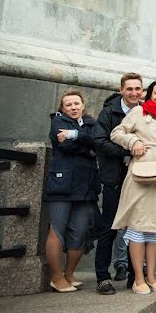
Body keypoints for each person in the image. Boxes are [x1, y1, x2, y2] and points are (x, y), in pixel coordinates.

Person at [110, 80, 156, 294]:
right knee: (138, 226)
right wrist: (133, 143)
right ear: (149, 94)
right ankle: (138, 278)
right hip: (142, 173)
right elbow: (116, 133)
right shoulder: (140, 111)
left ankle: (151, 275)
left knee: (155, 228)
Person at [44, 90, 99, 293]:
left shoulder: (92, 123)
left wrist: (76, 136)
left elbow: (98, 143)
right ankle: (56, 278)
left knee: (80, 231)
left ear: (83, 105)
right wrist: (88, 149)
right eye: (68, 105)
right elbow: (66, 146)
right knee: (57, 230)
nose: (73, 107)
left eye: (77, 103)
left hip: (86, 186)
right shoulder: (58, 122)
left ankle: (69, 274)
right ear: (62, 108)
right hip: (62, 185)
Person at [93, 73, 142, 295]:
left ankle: (135, 275)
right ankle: (102, 277)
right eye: (129, 89)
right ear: (122, 90)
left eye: (137, 89)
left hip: (139, 177)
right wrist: (126, 150)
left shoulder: (145, 111)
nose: (134, 93)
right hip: (114, 177)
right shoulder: (108, 112)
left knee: (136, 227)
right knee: (109, 228)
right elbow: (99, 140)